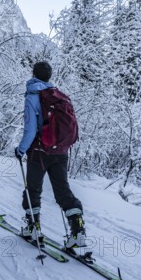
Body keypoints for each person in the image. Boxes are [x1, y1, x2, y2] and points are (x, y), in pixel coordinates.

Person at [14, 61, 86, 248]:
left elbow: (30, 130)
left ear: (33, 74)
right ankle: (77, 231)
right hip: (61, 151)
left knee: (33, 190)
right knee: (63, 192)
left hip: (39, 152)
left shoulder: (32, 96)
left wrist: (21, 150)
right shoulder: (59, 95)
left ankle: (33, 227)